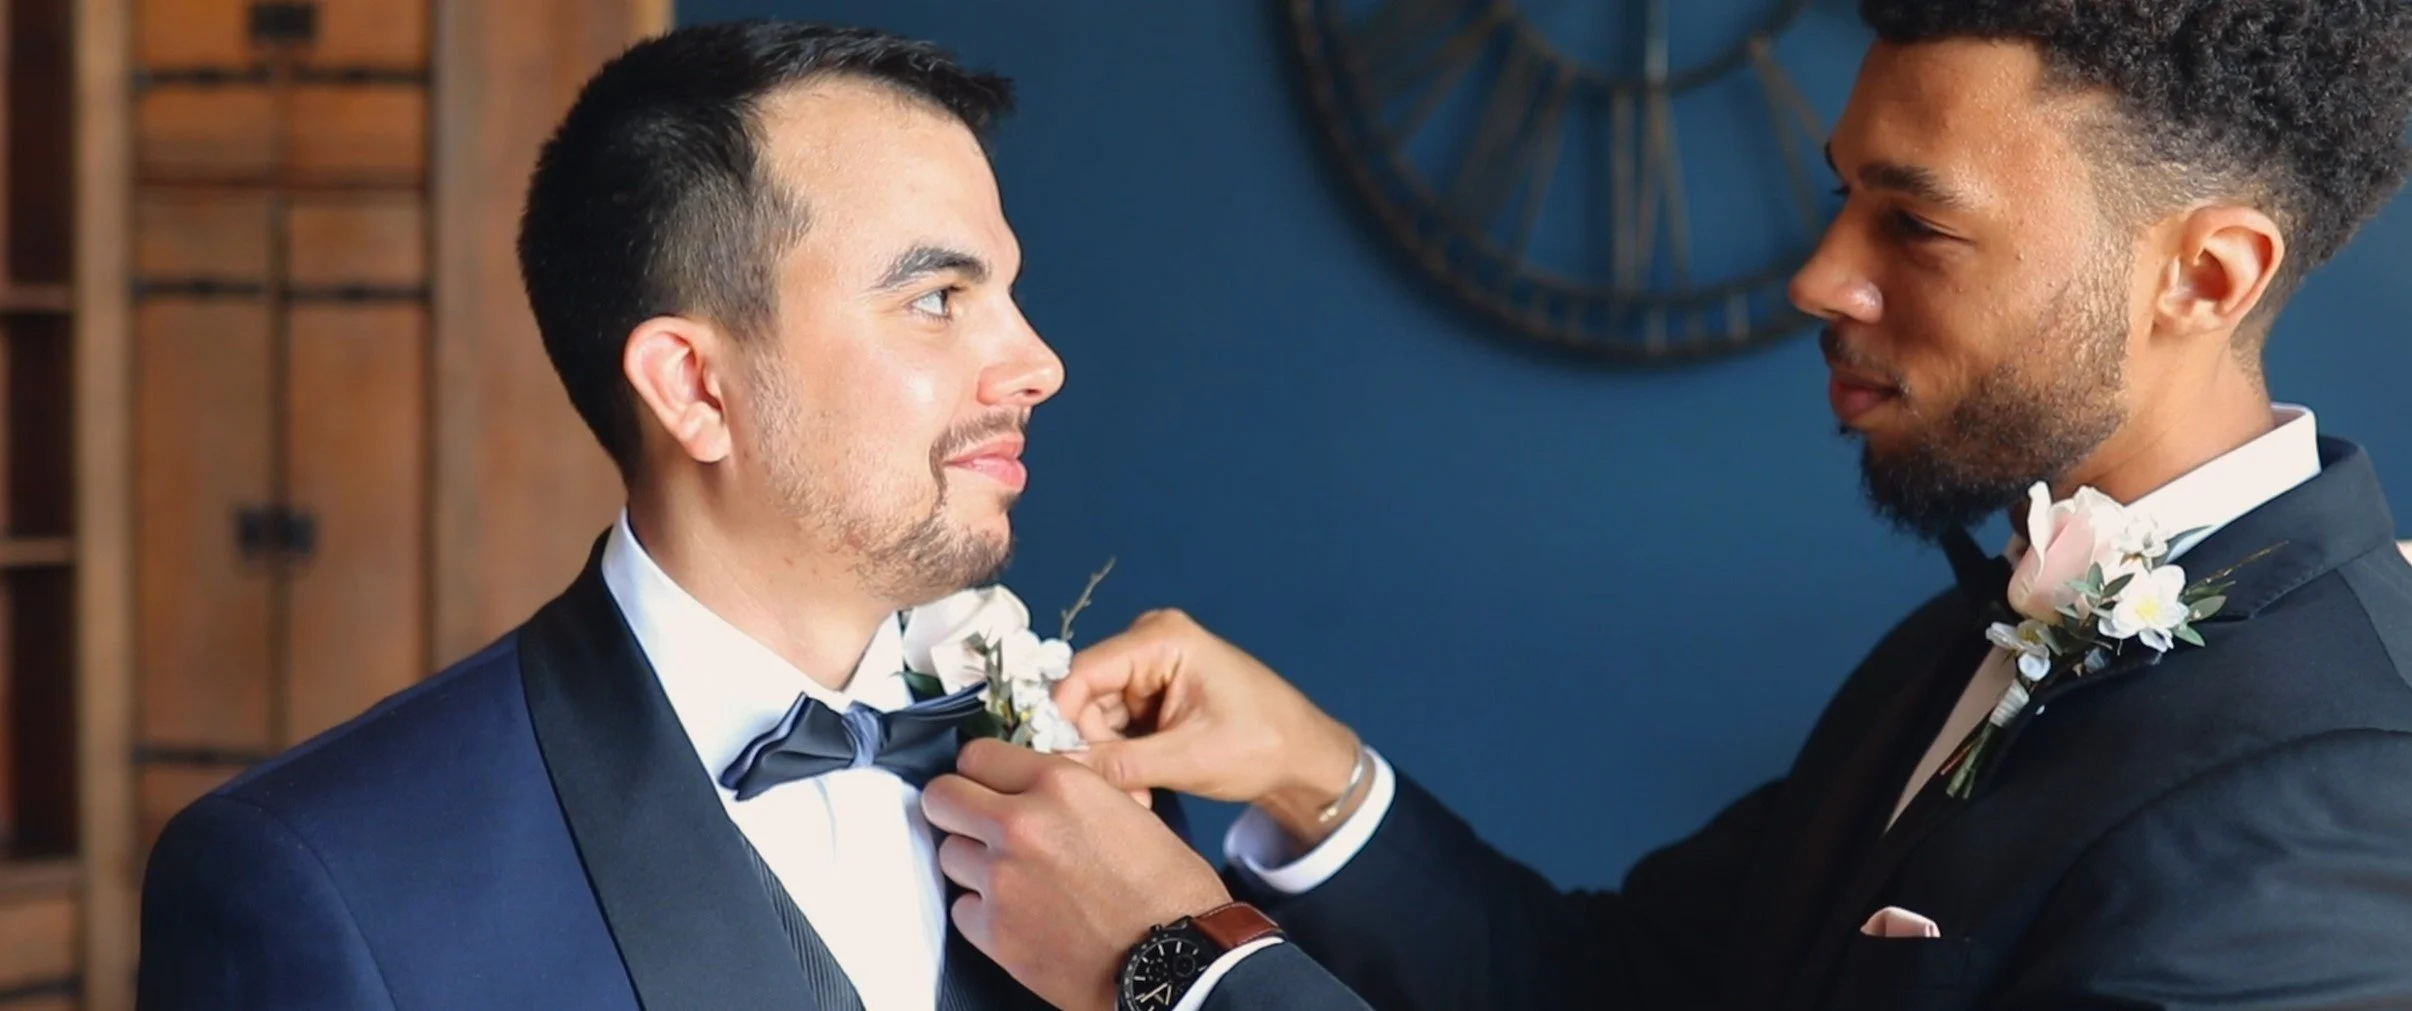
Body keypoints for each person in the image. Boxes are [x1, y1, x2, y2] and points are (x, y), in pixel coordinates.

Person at [922, 2, 2412, 1008]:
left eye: (1918, 221)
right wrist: (1310, 772)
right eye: (1840, 196)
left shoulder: (2339, 796)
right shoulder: (1959, 641)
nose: (1820, 277)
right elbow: (1607, 986)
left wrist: (1174, 961)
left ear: (2205, 278)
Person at [134, 19, 1179, 1010]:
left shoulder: (1094, 799)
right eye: (939, 298)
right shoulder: (324, 877)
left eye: (1007, 291)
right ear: (693, 388)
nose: (1040, 364)